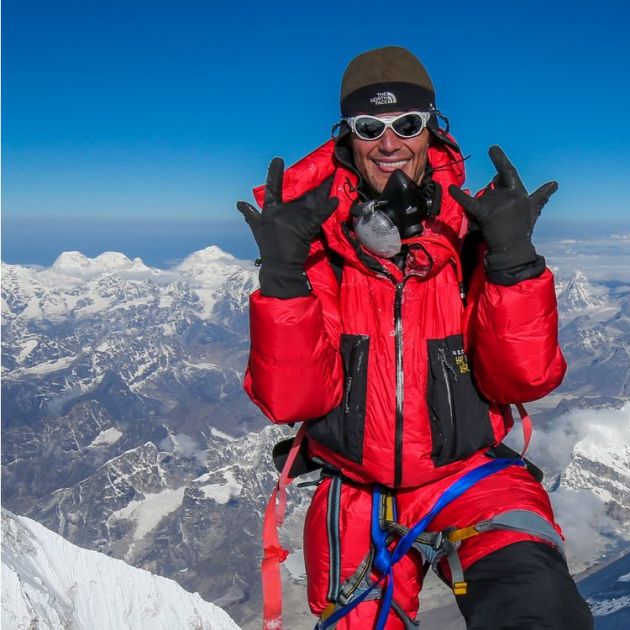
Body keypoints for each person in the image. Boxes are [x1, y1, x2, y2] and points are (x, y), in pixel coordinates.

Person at [238, 46, 594, 630]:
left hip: (470, 476)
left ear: (433, 130)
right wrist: (283, 279)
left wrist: (512, 263)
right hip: (356, 490)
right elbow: (292, 401)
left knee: (540, 611)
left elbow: (524, 378)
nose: (389, 142)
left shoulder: (473, 231)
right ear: (347, 137)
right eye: (369, 126)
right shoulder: (316, 244)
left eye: (408, 124)